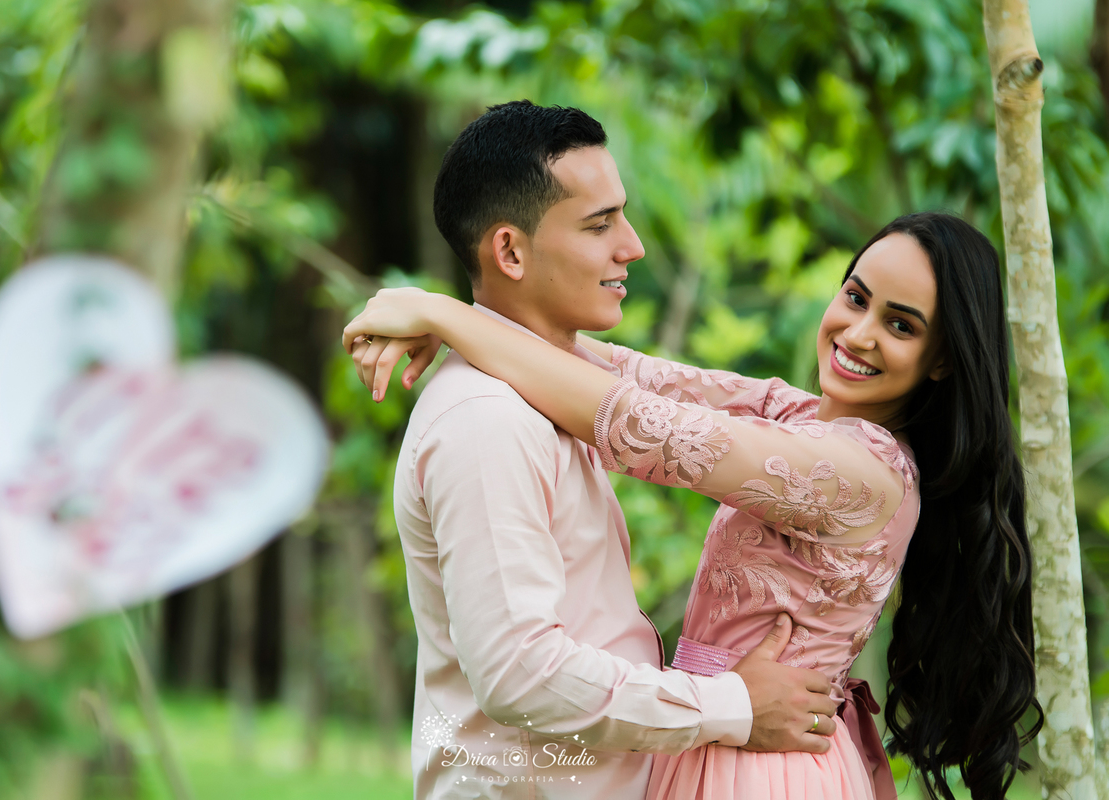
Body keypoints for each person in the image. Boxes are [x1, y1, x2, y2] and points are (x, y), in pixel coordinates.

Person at [344, 210, 1043, 800]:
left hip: (762, 766)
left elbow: (643, 427)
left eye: (901, 325)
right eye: (856, 299)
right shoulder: (800, 419)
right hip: (720, 731)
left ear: (943, 360)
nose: (859, 334)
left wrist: (438, 313)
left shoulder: (859, 473)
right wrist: (463, 319)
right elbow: (631, 373)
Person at [360, 100, 840, 800]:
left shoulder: (555, 388)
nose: (633, 245)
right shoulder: (487, 421)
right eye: (600, 224)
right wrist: (732, 706)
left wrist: (446, 316)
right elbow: (519, 673)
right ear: (511, 252)